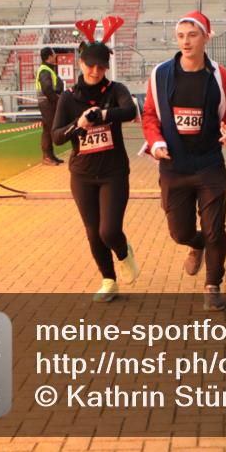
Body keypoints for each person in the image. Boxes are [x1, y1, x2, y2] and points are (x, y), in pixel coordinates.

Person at [142, 10, 226, 311]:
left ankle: (213, 284)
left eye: (192, 35)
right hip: (174, 166)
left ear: (206, 37)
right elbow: (149, 115)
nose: (186, 42)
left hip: (210, 165)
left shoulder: (221, 76)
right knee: (180, 233)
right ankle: (195, 244)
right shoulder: (160, 74)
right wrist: (156, 142)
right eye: (181, 36)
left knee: (215, 229)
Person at [52, 18, 139, 302]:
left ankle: (124, 251)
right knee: (93, 233)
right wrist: (78, 124)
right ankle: (108, 280)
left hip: (113, 172)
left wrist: (102, 115)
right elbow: (56, 137)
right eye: (90, 65)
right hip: (82, 175)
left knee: (109, 230)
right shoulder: (68, 97)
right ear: (80, 64)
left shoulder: (116, 90)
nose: (95, 71)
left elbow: (128, 111)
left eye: (101, 66)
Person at [36, 47, 64, 165]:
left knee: (49, 128)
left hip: (48, 102)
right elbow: (47, 89)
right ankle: (47, 156)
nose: (55, 56)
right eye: (53, 54)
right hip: (47, 103)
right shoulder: (44, 70)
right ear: (49, 56)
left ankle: (50, 155)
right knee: (48, 129)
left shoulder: (47, 69)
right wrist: (57, 100)